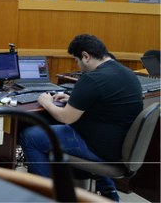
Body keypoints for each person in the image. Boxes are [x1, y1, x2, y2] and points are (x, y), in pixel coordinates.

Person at [20, 34, 142, 201]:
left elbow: (65, 118)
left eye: (76, 60)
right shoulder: (126, 73)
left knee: (29, 136)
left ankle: (47, 196)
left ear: (86, 56)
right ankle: (109, 192)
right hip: (118, 146)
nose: (77, 65)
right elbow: (107, 104)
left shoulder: (92, 78)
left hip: (97, 148)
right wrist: (73, 100)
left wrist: (46, 102)